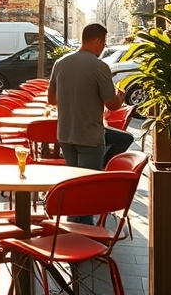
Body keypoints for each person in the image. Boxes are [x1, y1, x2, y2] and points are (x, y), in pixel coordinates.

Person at [48, 23, 125, 224]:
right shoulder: (99, 66)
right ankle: (84, 240)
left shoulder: (61, 62)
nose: (104, 47)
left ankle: (72, 235)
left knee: (73, 187)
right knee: (87, 191)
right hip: (90, 137)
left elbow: (51, 99)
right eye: (104, 42)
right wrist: (121, 95)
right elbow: (113, 105)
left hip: (65, 135)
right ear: (98, 41)